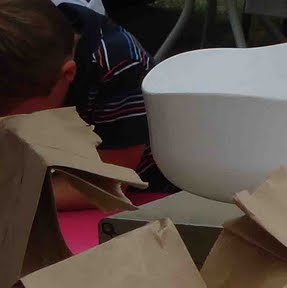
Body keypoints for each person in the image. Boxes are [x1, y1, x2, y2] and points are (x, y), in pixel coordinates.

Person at [0, 0, 168, 205]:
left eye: (11, 117)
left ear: (68, 74)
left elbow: (110, 184)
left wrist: (10, 195)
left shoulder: (116, 65)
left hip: (144, 196)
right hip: (41, 176)